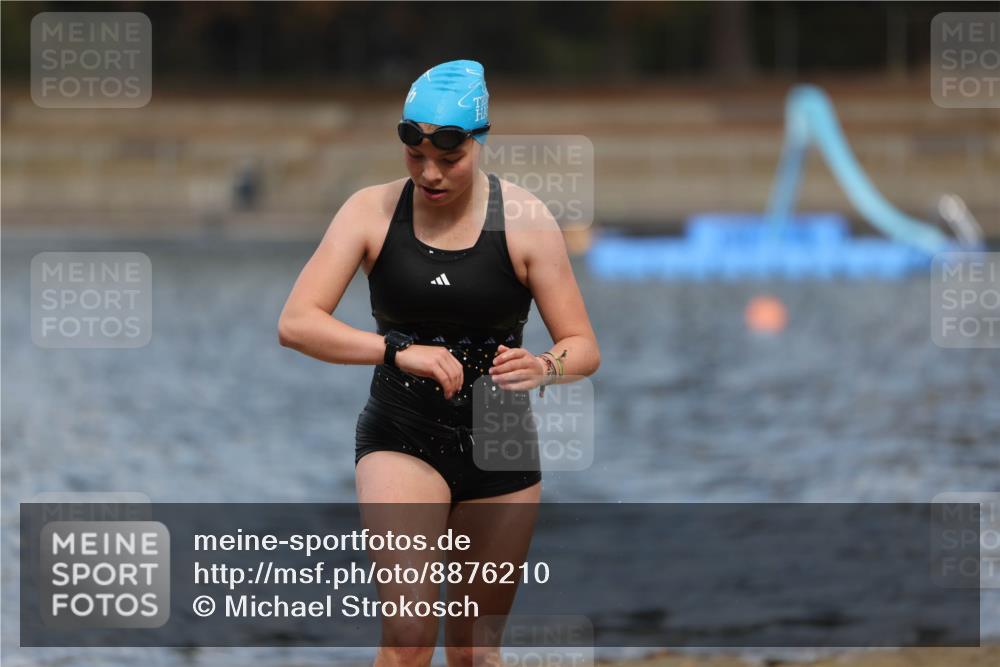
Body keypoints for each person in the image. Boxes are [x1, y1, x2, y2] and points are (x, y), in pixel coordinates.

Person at [278, 59, 600, 667]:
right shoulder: (369, 212)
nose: (430, 174)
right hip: (401, 433)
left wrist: (545, 368)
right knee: (408, 636)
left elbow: (582, 344)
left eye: (449, 159)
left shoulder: (526, 221)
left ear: (479, 142)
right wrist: (397, 350)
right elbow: (296, 322)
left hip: (501, 442)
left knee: (475, 650)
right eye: (415, 155)